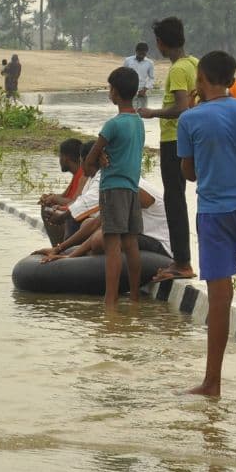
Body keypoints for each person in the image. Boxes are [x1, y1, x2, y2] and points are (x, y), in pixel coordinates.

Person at [176, 50, 236, 396]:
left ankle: (212, 382)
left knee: (220, 299)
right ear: (232, 79)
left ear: (201, 79)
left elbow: (189, 173)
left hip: (213, 215)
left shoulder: (190, 119)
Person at [138, 16, 197, 282]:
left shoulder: (177, 70)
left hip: (175, 140)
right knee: (187, 199)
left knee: (175, 199)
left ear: (160, 43)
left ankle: (182, 262)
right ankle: (185, 259)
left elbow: (182, 107)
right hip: (193, 140)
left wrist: (152, 113)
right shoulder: (195, 63)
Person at [82, 67, 144, 307]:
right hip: (132, 188)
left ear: (115, 93)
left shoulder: (112, 125)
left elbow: (88, 164)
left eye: (110, 88)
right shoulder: (138, 122)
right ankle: (136, 299)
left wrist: (98, 159)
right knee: (131, 243)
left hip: (112, 188)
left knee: (113, 245)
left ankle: (111, 301)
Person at [35, 176, 172, 264]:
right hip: (139, 235)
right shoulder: (119, 184)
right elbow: (96, 223)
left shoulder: (132, 188)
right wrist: (58, 249)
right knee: (87, 224)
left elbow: (103, 228)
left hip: (159, 243)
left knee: (101, 238)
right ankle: (84, 254)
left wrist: (69, 258)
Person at [38, 137, 87, 244]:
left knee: (48, 210)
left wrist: (53, 198)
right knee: (47, 205)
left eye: (60, 156)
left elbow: (75, 202)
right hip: (72, 213)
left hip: (76, 218)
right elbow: (64, 197)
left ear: (65, 158)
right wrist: (50, 197)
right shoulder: (77, 175)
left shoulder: (83, 174)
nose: (59, 159)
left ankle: (58, 247)